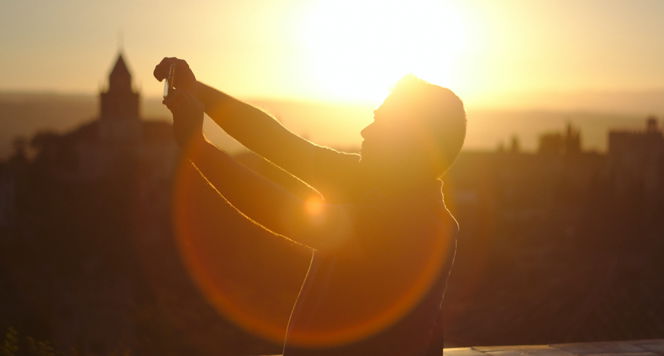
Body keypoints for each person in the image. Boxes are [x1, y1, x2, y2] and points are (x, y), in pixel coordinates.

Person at [153, 58, 466, 356]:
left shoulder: (419, 223)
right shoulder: (373, 181)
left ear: (410, 144)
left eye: (380, 123)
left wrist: (197, 148)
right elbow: (277, 141)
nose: (365, 131)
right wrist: (198, 91)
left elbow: (283, 214)